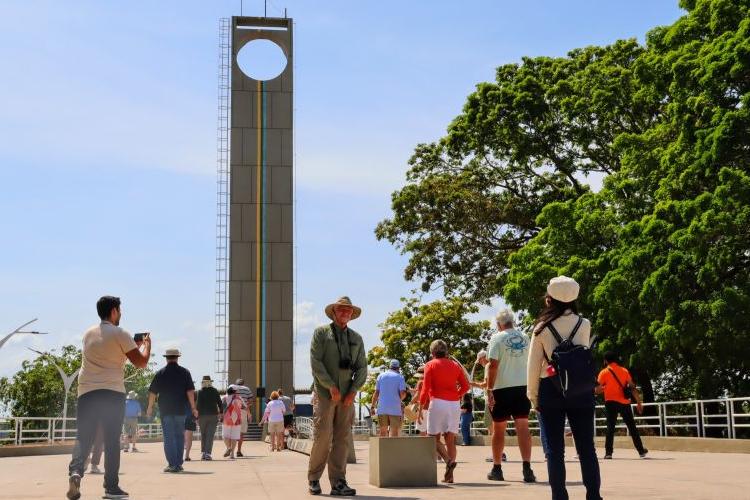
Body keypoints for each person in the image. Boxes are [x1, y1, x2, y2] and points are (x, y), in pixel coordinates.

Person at [67, 296, 151, 500]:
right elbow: (140, 363)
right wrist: (147, 345)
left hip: (86, 392)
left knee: (83, 436)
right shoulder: (120, 333)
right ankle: (111, 488)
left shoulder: (88, 334)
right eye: (120, 310)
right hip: (112, 393)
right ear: (113, 311)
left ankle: (76, 472)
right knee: (112, 440)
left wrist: (132, 344)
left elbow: (108, 351)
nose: (121, 314)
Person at [527, 276, 602, 500]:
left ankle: (560, 496)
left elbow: (532, 367)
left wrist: (533, 398)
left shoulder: (541, 329)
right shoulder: (584, 324)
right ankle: (593, 495)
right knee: (587, 448)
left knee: (554, 451)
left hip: (551, 388)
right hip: (580, 389)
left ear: (550, 300)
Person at [307, 296, 367, 496]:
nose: (345, 313)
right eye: (341, 309)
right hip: (325, 393)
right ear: (333, 312)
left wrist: (353, 391)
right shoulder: (321, 334)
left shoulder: (356, 338)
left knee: (342, 438)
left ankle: (339, 482)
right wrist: (331, 386)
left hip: (347, 396)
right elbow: (316, 362)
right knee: (323, 436)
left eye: (348, 310)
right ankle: (314, 478)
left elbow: (362, 368)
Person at [486, 309, 536, 483]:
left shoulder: (496, 338)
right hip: (523, 386)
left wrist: (489, 388)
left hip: (502, 387)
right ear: (512, 322)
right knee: (523, 427)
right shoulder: (525, 337)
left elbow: (492, 365)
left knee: (499, 429)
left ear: (499, 324)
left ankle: (497, 468)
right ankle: (527, 468)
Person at [419, 339, 470, 484]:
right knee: (450, 440)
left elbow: (425, 389)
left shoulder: (430, 365)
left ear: (432, 352)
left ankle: (448, 461)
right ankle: (450, 476)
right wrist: (457, 395)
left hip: (437, 402)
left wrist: (420, 408)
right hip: (454, 404)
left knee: (432, 438)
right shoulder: (455, 365)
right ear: (445, 351)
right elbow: (466, 386)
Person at [146, 348, 197, 473]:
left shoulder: (160, 373)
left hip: (166, 410)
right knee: (179, 436)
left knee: (169, 437)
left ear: (166, 358)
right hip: (181, 410)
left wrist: (150, 408)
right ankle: (178, 464)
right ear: (177, 357)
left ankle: (172, 464)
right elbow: (190, 391)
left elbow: (153, 392)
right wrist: (193, 407)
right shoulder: (185, 372)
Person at [597, 351, 648, 459]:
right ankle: (641, 451)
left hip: (610, 402)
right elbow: (632, 387)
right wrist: (639, 402)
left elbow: (597, 390)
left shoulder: (603, 372)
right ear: (615, 359)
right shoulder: (624, 371)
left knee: (610, 427)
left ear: (605, 361)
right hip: (624, 402)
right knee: (632, 427)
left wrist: (604, 389)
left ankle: (608, 453)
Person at [372, 359, 407, 437]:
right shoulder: (400, 377)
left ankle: (382, 449)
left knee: (383, 432)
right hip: (395, 408)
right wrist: (399, 399)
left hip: (382, 408)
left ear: (389, 367)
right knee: (394, 433)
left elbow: (376, 393)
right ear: (398, 368)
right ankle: (392, 449)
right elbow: (403, 394)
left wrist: (372, 407)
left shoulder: (380, 376)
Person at [196, 375, 223, 460]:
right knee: (210, 435)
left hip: (202, 416)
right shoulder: (215, 391)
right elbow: (220, 402)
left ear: (203, 382)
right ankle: (207, 453)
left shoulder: (200, 391)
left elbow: (198, 405)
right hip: (213, 415)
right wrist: (221, 412)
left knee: (203, 434)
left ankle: (204, 453)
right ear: (210, 382)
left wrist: (196, 417)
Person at [228, 378, 253, 457]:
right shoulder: (247, 389)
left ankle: (230, 450)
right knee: (241, 432)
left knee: (231, 431)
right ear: (243, 383)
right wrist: (247, 408)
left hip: (233, 411)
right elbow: (250, 401)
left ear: (236, 383)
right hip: (243, 411)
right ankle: (238, 451)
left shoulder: (232, 387)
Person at [222, 387, 243, 459]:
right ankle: (232, 454)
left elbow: (221, 408)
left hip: (226, 419)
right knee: (234, 437)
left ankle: (228, 448)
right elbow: (243, 407)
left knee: (225, 436)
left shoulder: (224, 398)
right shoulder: (239, 398)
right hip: (236, 420)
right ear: (234, 392)